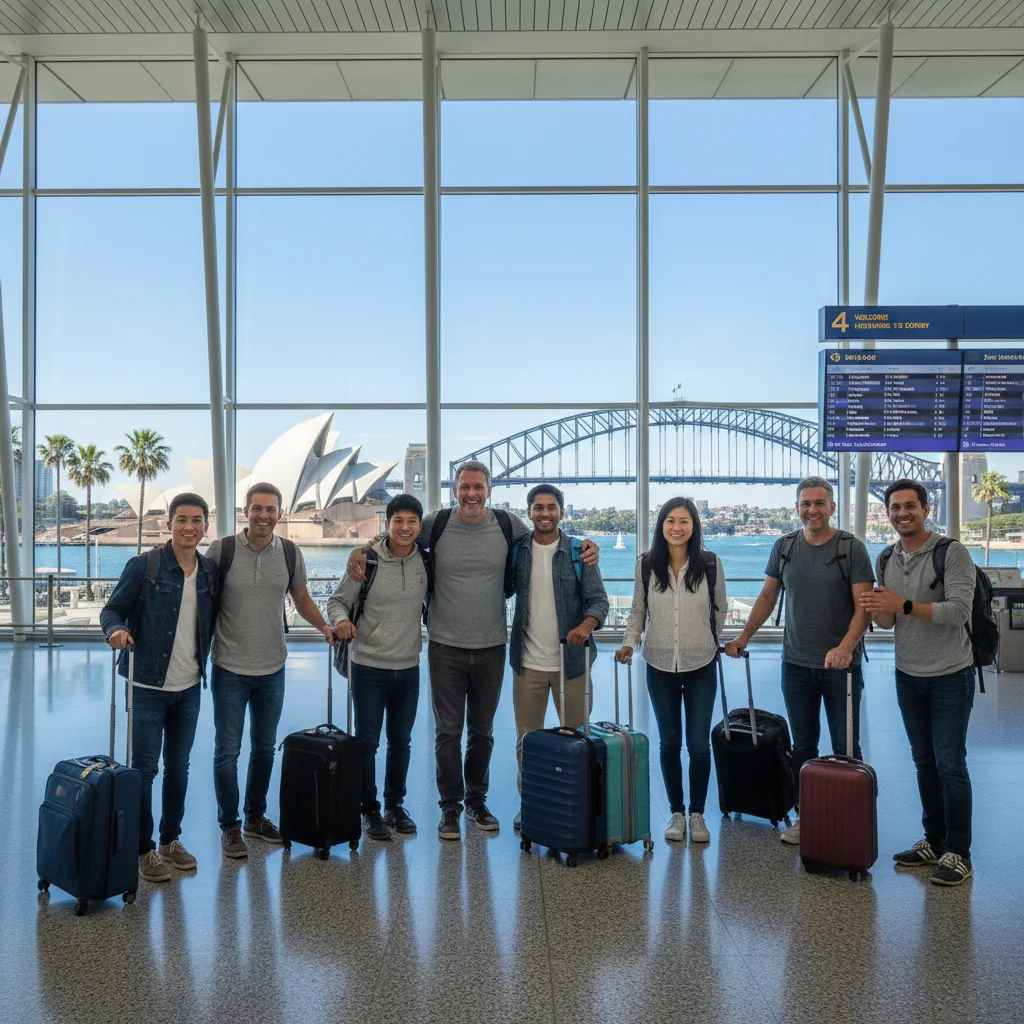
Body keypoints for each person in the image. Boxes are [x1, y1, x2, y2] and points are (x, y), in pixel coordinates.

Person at [346, 460, 599, 841]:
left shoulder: (505, 524)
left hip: (492, 648)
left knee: (482, 733)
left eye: (478, 486)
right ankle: (450, 807)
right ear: (455, 491)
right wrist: (361, 548)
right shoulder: (437, 523)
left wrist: (585, 545)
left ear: (490, 489)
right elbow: (399, 535)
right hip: (445, 648)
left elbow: (547, 536)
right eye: (465, 487)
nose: (471, 494)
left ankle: (477, 801)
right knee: (447, 732)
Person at [724, 476, 873, 846]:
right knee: (804, 745)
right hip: (796, 664)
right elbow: (767, 597)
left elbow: (864, 607)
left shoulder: (851, 548)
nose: (813, 509)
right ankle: (808, 817)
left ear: (833, 507)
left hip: (842, 669)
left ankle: (849, 819)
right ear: (796, 508)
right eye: (806, 503)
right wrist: (744, 636)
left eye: (820, 503)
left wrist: (847, 647)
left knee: (846, 746)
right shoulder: (785, 546)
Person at [206, 482, 336, 859]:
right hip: (229, 665)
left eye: (271, 509)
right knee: (227, 751)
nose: (264, 515)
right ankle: (229, 826)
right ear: (245, 511)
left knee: (264, 748)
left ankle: (256, 817)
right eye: (257, 508)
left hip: (273, 666)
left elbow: (302, 599)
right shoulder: (223, 550)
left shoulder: (291, 552)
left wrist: (324, 626)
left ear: (280, 513)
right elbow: (200, 598)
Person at [858, 479, 977, 886]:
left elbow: (959, 611)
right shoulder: (886, 557)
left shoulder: (952, 553)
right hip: (908, 673)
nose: (902, 514)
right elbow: (889, 621)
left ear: (926, 509)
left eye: (910, 506)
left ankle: (959, 853)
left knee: (950, 763)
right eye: (895, 508)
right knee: (923, 761)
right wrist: (878, 610)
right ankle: (934, 839)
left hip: (951, 674)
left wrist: (902, 604)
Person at [100, 493, 219, 882]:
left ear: (206, 526)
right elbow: (112, 609)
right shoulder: (144, 565)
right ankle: (143, 848)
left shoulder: (208, 572)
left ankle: (171, 839)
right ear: (169, 523)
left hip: (189, 685)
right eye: (182, 519)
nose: (189, 527)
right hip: (147, 684)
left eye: (197, 520)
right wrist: (116, 629)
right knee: (145, 769)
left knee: (179, 767)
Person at [615, 498, 725, 844]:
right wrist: (629, 642)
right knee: (669, 743)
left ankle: (698, 814)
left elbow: (719, 609)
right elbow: (638, 611)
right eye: (670, 521)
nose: (677, 528)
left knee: (698, 744)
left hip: (701, 664)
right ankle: (677, 813)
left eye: (685, 521)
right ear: (660, 525)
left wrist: (707, 640)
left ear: (695, 526)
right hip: (659, 664)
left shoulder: (709, 563)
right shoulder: (646, 564)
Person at [328, 494, 429, 842]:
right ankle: (369, 808)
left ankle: (394, 805)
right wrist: (342, 622)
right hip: (369, 666)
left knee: (401, 742)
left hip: (409, 666)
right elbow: (338, 601)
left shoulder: (426, 562)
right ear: (386, 525)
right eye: (397, 520)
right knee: (368, 743)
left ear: (420, 526)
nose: (405, 527)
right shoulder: (366, 561)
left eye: (412, 521)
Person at [509, 484, 609, 832]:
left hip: (572, 664)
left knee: (577, 739)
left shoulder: (580, 552)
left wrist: (585, 625)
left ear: (562, 513)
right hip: (527, 663)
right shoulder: (518, 551)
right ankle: (531, 805)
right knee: (527, 742)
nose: (545, 513)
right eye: (538, 508)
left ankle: (577, 808)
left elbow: (599, 602)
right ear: (530, 513)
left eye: (551, 507)